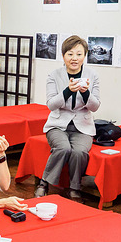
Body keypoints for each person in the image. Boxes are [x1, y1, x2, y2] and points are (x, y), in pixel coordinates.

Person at [36, 35, 101, 199]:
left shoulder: (92, 75)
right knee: (64, 148)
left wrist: (85, 92)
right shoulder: (54, 75)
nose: (74, 58)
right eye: (70, 54)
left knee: (79, 152)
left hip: (83, 126)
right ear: (63, 56)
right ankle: (44, 183)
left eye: (79, 54)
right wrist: (67, 91)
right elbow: (51, 104)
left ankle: (75, 188)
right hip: (57, 124)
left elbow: (95, 106)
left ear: (84, 55)